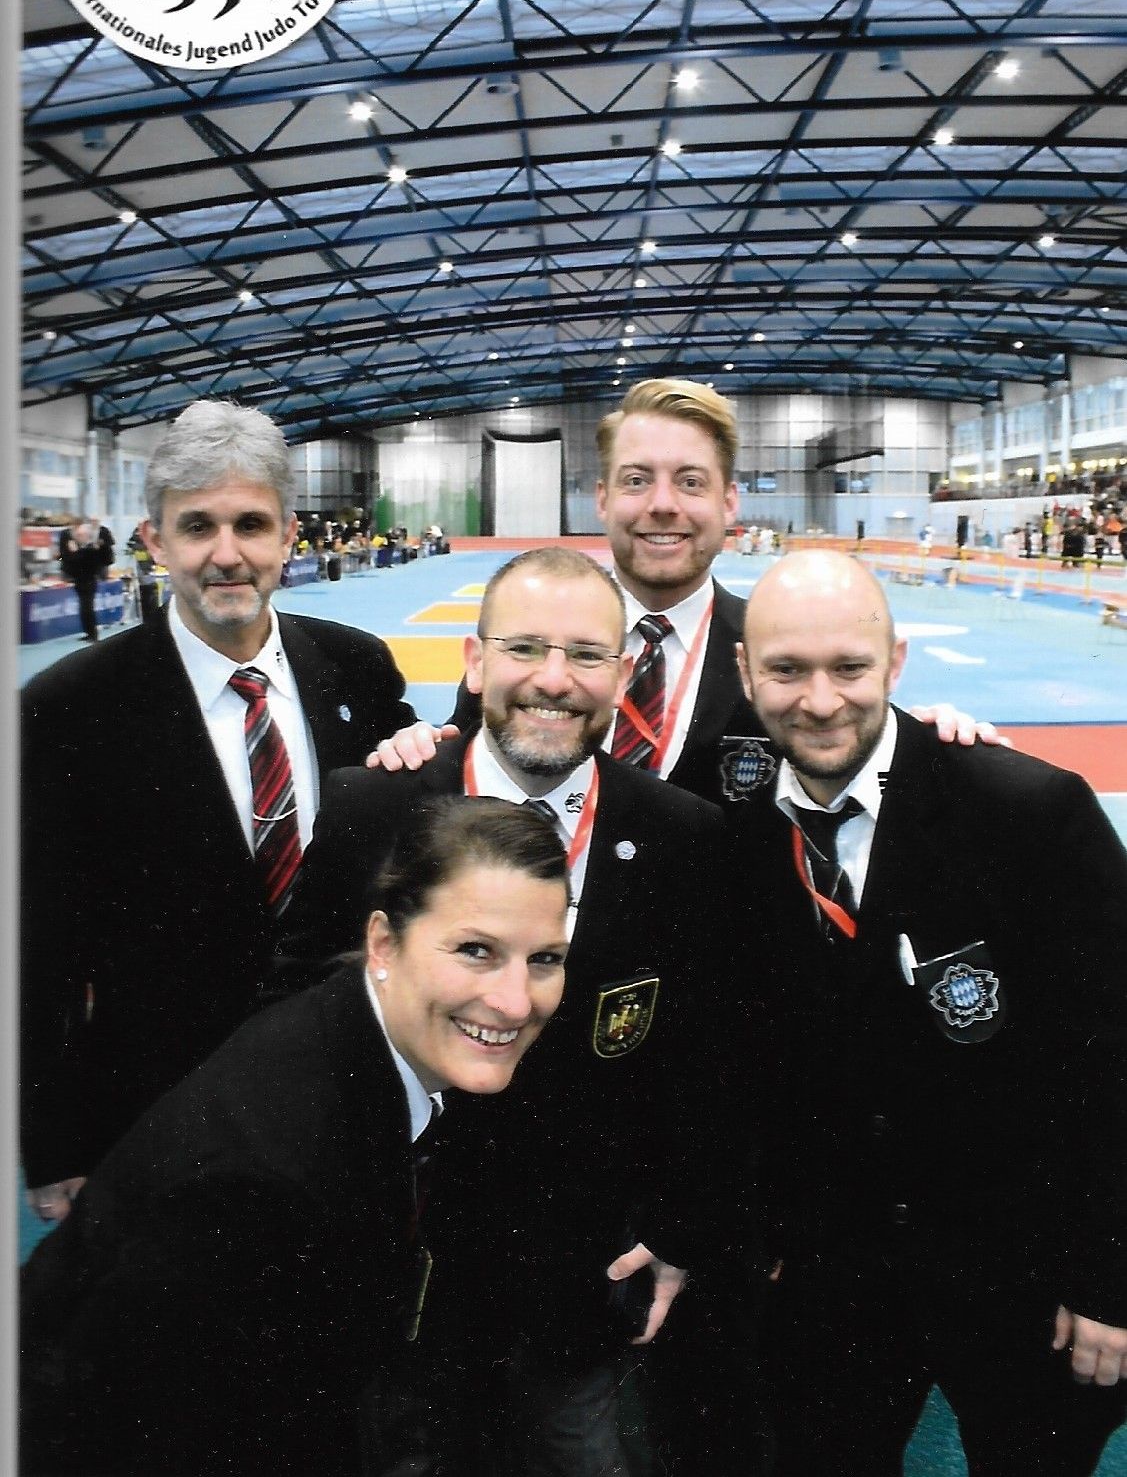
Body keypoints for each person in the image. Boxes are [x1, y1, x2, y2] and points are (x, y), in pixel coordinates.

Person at [277, 546, 741, 1475]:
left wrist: (681, 1225)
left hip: (579, 1285)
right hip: (398, 1274)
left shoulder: (682, 835)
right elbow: (297, 1004)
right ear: (474, 661)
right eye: (525, 647)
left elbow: (713, 1056)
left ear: (621, 673)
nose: (554, 681)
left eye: (585, 654)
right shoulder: (376, 807)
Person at [20, 797, 569, 1477]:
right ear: (382, 942)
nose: (517, 1000)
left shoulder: (358, 1031)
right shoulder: (261, 1178)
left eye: (544, 958)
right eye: (476, 950)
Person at [730, 549, 1127, 1476]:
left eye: (849, 668)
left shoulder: (1028, 810)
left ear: (897, 665)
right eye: (785, 670)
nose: (819, 700)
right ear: (745, 673)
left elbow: (1115, 1055)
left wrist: (1111, 1270)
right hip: (829, 1280)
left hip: (1024, 1271)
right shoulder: (732, 825)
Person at [20, 399, 417, 1221]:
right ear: (155, 541)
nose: (226, 554)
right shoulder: (68, 708)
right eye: (197, 526)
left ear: (287, 533)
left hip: (349, 1079)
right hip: (157, 1100)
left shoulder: (357, 667)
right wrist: (55, 1139)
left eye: (251, 523)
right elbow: (37, 945)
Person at [374, 378, 993, 801]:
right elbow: (472, 765)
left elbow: (854, 756)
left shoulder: (780, 655)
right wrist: (420, 744)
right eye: (638, 480)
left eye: (691, 483)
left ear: (729, 502)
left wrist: (933, 745)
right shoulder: (529, 646)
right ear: (604, 500)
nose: (663, 505)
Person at [58, 514, 114, 642]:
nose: (80, 536)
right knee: (84, 607)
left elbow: (101, 559)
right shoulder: (69, 538)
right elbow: (66, 557)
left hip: (88, 578)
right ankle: (89, 632)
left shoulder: (92, 549)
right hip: (79, 578)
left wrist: (76, 551)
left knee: (87, 606)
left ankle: (93, 634)